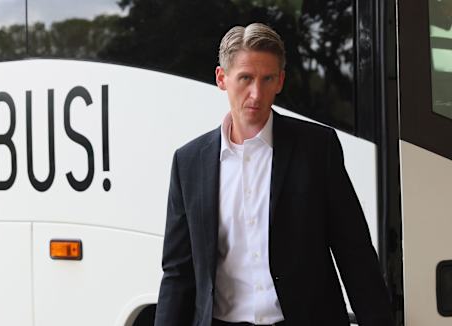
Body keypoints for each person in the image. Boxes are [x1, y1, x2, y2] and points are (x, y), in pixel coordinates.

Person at [155, 23, 393, 326]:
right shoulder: (189, 163)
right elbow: (178, 273)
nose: (256, 92)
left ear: (280, 81)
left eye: (267, 79)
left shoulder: (318, 149)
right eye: (245, 78)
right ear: (221, 79)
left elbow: (355, 253)